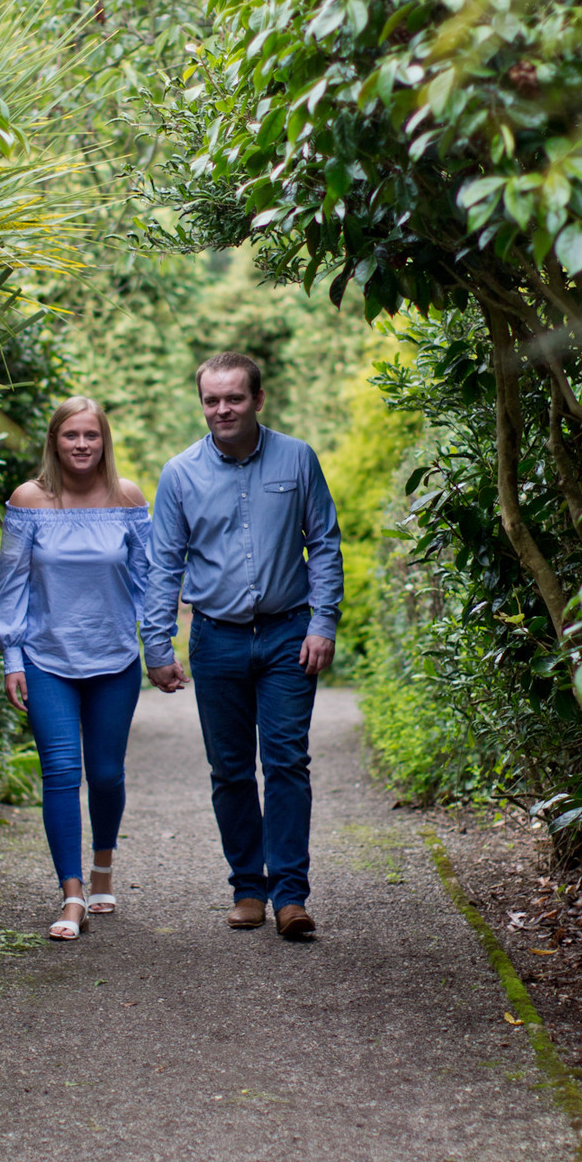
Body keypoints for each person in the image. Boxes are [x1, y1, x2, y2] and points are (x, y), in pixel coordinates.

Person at [142, 351, 343, 939]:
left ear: (257, 399)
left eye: (234, 397)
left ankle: (290, 896)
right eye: (211, 399)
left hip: (288, 635)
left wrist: (322, 624)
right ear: (201, 403)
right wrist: (157, 645)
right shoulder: (179, 473)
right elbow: (163, 565)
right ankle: (247, 889)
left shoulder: (298, 458)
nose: (222, 409)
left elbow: (325, 544)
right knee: (229, 770)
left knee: (287, 763)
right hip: (216, 639)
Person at [0, 397, 149, 940]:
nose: (82, 445)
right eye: (71, 436)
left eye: (92, 435)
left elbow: (149, 580)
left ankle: (103, 866)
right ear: (55, 441)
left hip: (114, 657)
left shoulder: (127, 499)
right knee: (59, 772)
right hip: (46, 657)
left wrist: (160, 648)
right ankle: (72, 892)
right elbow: (10, 583)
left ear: (105, 441)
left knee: (105, 773)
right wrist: (12, 657)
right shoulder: (29, 500)